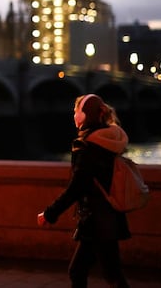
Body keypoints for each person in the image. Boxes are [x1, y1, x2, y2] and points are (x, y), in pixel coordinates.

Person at [37, 93, 131, 288]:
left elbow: (77, 186)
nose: (74, 115)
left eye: (76, 111)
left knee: (89, 272)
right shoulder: (110, 139)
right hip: (110, 215)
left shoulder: (88, 145)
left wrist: (50, 213)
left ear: (84, 115)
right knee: (106, 273)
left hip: (95, 220)